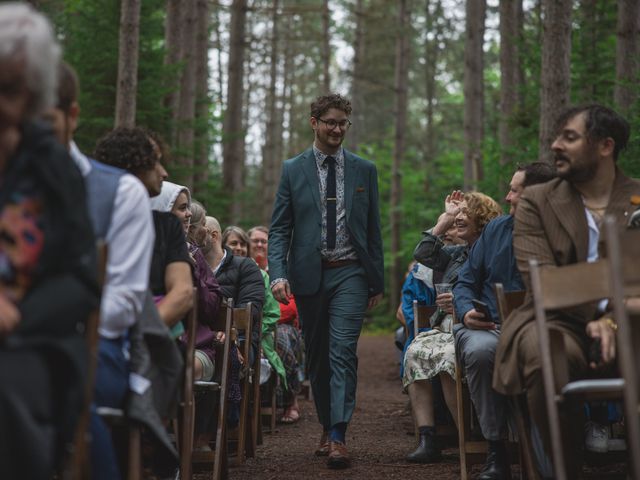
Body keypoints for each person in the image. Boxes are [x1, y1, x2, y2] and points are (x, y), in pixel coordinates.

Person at [493, 104, 640, 477]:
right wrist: (605, 310)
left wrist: (611, 320)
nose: (556, 145)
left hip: (634, 318)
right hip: (558, 320)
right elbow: (545, 282)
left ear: (605, 146)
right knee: (543, 352)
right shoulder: (537, 203)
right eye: (556, 137)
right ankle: (564, 470)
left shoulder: (637, 198)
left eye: (569, 137)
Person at [44, 61, 156, 480]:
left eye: (43, 119)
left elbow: (125, 302)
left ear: (71, 116)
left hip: (96, 344)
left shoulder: (118, 192)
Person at [0, 4, 99, 478]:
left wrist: (16, 318)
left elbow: (81, 281)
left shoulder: (52, 170)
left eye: (11, 90)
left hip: (28, 341)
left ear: (34, 95)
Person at [269, 93, 384, 469]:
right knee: (317, 358)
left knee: (342, 352)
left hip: (350, 271)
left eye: (343, 123)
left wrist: (376, 280)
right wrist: (278, 273)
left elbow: (372, 230)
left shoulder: (364, 169)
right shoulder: (293, 169)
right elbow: (279, 229)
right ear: (314, 122)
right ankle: (325, 424)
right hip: (308, 277)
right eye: (330, 122)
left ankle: (338, 434)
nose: (337, 129)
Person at [451, 163, 555, 480]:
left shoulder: (560, 232)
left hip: (543, 329)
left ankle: (549, 456)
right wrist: (467, 310)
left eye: (515, 191)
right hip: (489, 328)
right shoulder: (496, 230)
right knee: (481, 352)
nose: (507, 197)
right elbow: (465, 282)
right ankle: (496, 452)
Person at [404, 191, 502, 464]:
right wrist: (445, 218)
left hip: (477, 325)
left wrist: (460, 304)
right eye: (456, 214)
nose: (458, 218)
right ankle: (427, 437)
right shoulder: (456, 255)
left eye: (464, 213)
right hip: (445, 324)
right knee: (416, 350)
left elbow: (495, 295)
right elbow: (422, 252)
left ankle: (470, 439)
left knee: (447, 359)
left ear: (482, 219)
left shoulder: (496, 252)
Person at [94, 128, 194, 338]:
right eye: (155, 162)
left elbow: (183, 292)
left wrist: (139, 337)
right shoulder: (94, 214)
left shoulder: (167, 225)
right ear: (133, 164)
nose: (164, 173)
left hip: (153, 336)